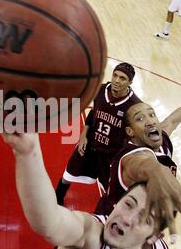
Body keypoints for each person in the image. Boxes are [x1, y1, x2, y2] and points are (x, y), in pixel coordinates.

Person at [2, 132, 181, 249]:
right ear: (117, 202)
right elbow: (48, 222)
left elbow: (173, 248)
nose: (127, 219)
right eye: (128, 204)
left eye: (145, 219)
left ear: (154, 237)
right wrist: (27, 151)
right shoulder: (90, 233)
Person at [95, 99, 181, 235]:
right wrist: (156, 170)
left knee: (171, 245)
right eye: (140, 118)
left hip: (140, 226)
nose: (150, 121)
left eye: (152, 115)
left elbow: (171, 121)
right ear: (130, 131)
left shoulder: (161, 142)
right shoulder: (130, 156)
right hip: (109, 225)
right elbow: (143, 163)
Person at [55, 62, 141, 206]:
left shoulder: (134, 106)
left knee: (111, 192)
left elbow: (135, 136)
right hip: (90, 145)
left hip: (111, 155)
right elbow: (92, 114)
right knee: (68, 174)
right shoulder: (101, 90)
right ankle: (57, 198)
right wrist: (83, 136)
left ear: (130, 82)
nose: (117, 81)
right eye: (115, 75)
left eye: (122, 78)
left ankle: (104, 218)